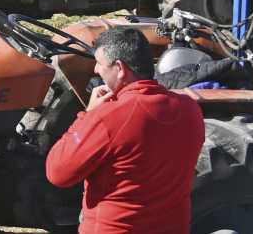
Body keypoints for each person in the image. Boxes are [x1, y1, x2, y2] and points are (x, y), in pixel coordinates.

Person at [46, 27, 203, 234]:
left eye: (100, 64)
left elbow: (58, 172)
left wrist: (88, 115)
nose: (95, 71)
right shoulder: (190, 109)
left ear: (120, 68)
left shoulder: (107, 117)